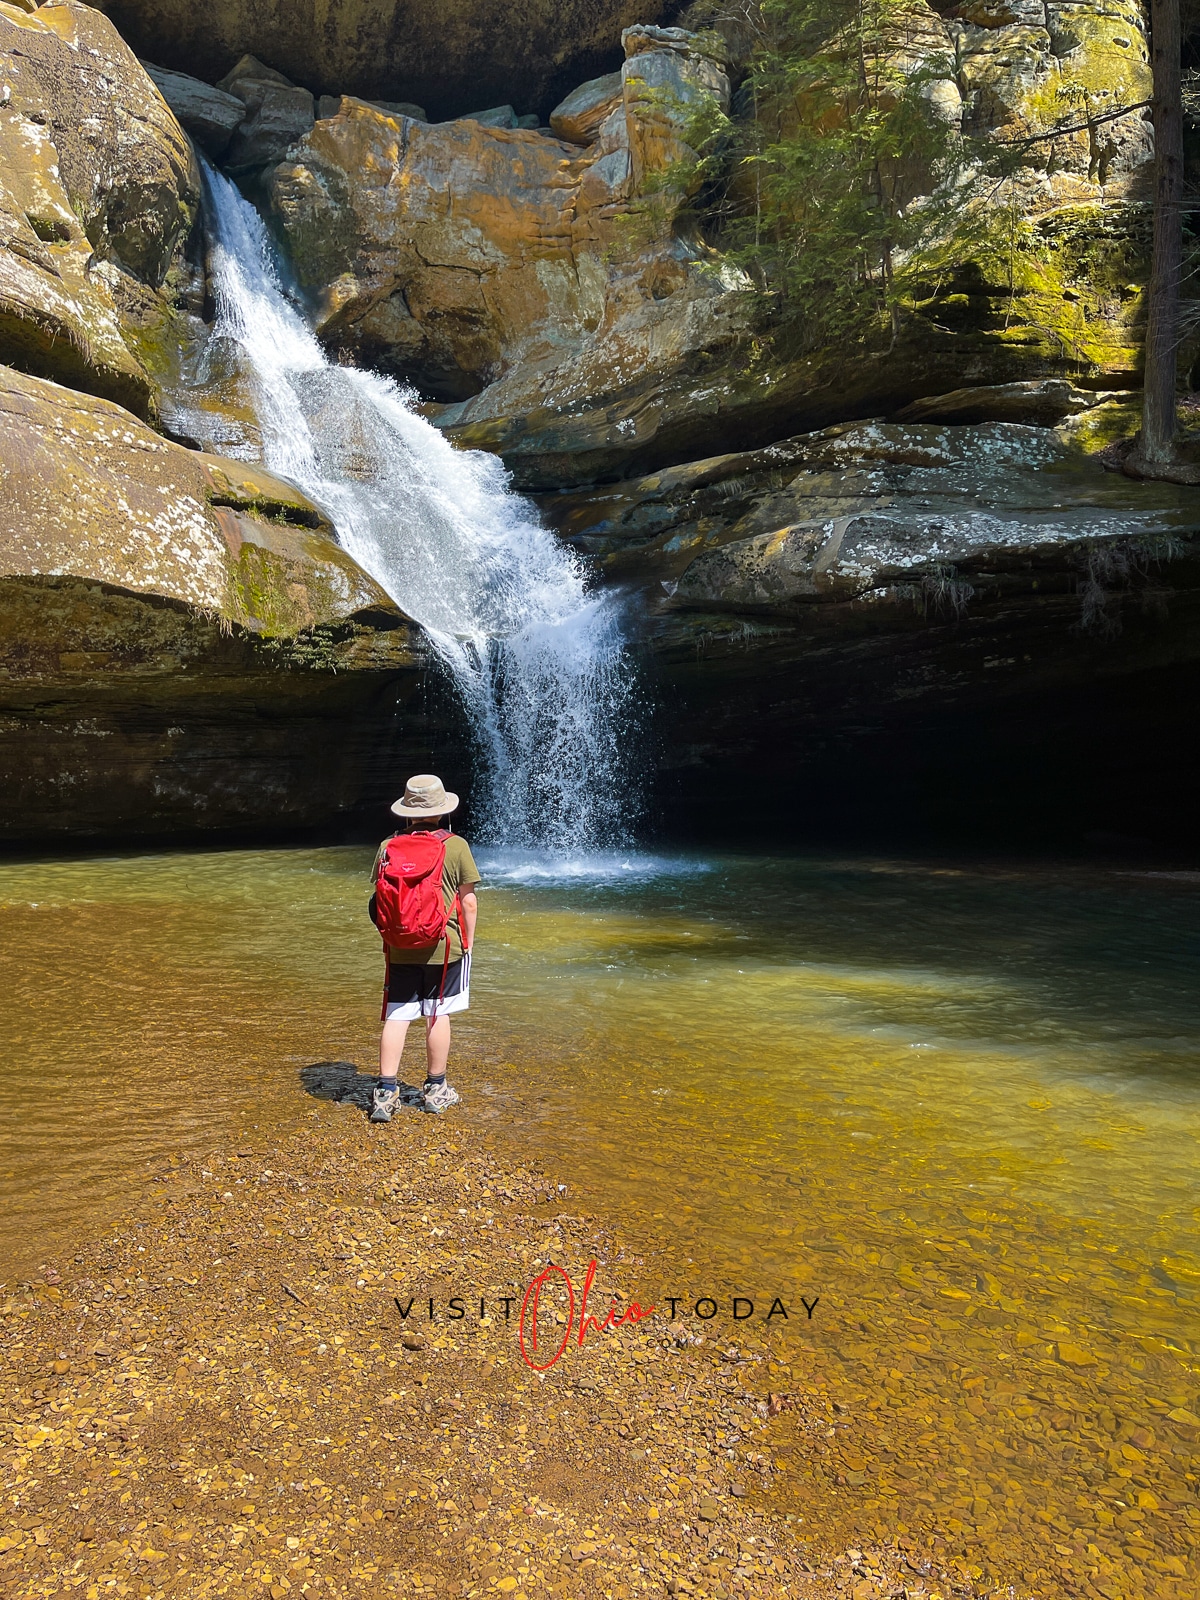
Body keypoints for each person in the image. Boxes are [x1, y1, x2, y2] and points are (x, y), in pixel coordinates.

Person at [368, 774, 480, 1121]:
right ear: (442, 810)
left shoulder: (388, 846)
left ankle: (385, 1093)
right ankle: (436, 1089)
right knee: (437, 1013)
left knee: (398, 1014)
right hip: (443, 945)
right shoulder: (456, 845)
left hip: (400, 943)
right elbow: (469, 902)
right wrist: (468, 942)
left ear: (406, 813)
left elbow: (377, 900)